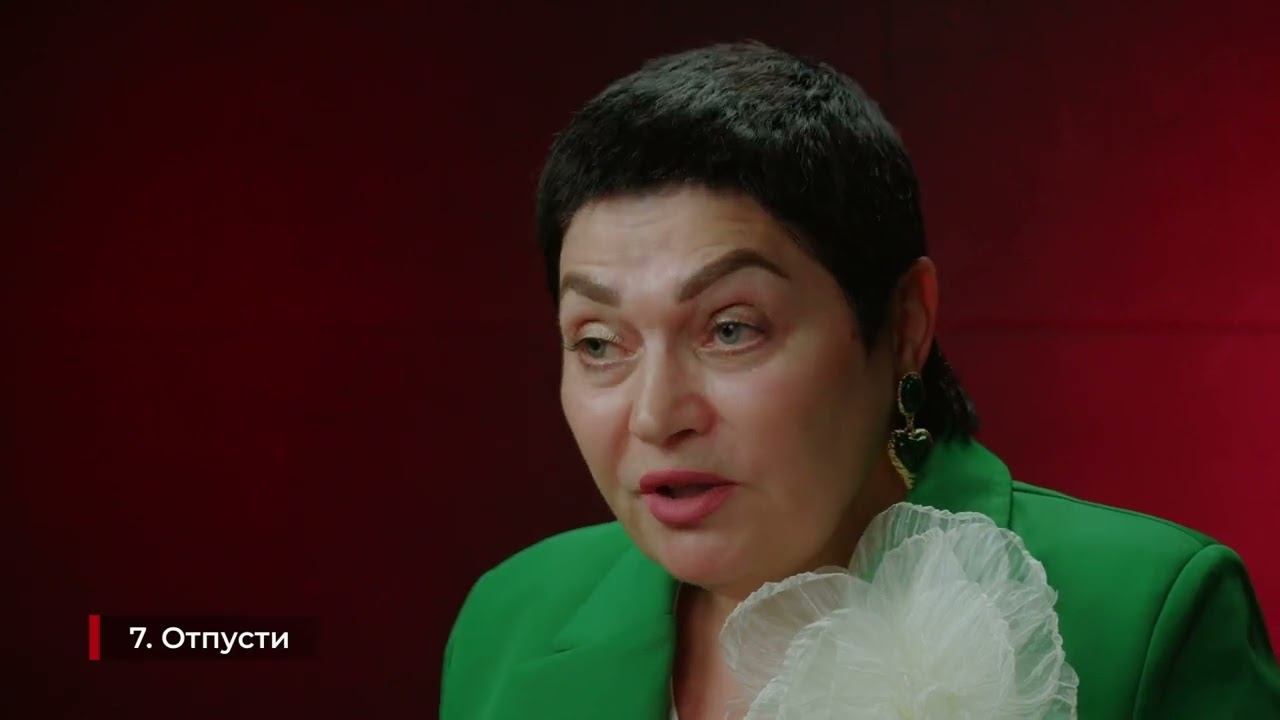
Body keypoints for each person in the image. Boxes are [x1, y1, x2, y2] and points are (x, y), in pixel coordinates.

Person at [439, 42, 1280, 719]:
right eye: (598, 343)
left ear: (904, 324)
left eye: (731, 329)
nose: (657, 415)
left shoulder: (1149, 619)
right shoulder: (511, 619)